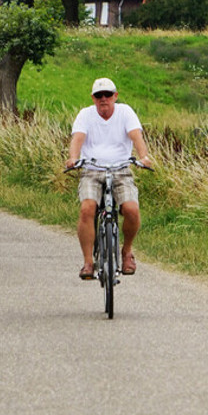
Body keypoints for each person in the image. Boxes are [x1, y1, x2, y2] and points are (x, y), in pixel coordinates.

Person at [65, 77, 153, 280]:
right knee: (87, 208)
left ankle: (127, 251)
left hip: (121, 169)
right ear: (93, 98)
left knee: (131, 209)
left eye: (107, 95)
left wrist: (144, 157)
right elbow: (77, 138)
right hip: (92, 170)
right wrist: (73, 159)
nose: (103, 99)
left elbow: (135, 135)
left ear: (115, 96)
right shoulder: (85, 115)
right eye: (99, 95)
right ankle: (88, 262)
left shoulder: (125, 112)